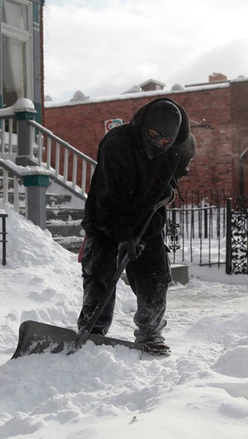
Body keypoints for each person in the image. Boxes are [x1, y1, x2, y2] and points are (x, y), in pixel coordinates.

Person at [77, 98, 195, 356]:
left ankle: (151, 332)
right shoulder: (117, 143)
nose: (158, 145)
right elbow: (107, 198)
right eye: (153, 136)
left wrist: (171, 186)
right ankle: (92, 329)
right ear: (145, 126)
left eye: (165, 142)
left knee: (156, 276)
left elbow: (181, 168)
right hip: (106, 217)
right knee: (100, 273)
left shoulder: (181, 145)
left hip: (148, 219)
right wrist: (122, 236)